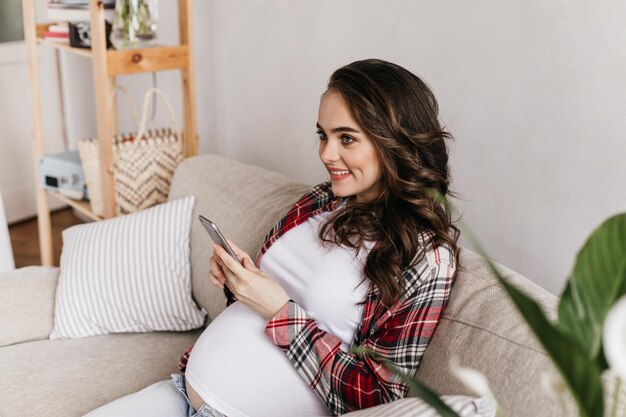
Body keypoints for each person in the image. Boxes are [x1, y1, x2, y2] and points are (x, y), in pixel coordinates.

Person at [85, 58, 459, 417]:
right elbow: (263, 303)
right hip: (182, 390)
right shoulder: (321, 200)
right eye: (323, 135)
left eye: (347, 138)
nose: (327, 154)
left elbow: (375, 400)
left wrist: (281, 313)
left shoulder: (426, 256)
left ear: (394, 143)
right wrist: (241, 281)